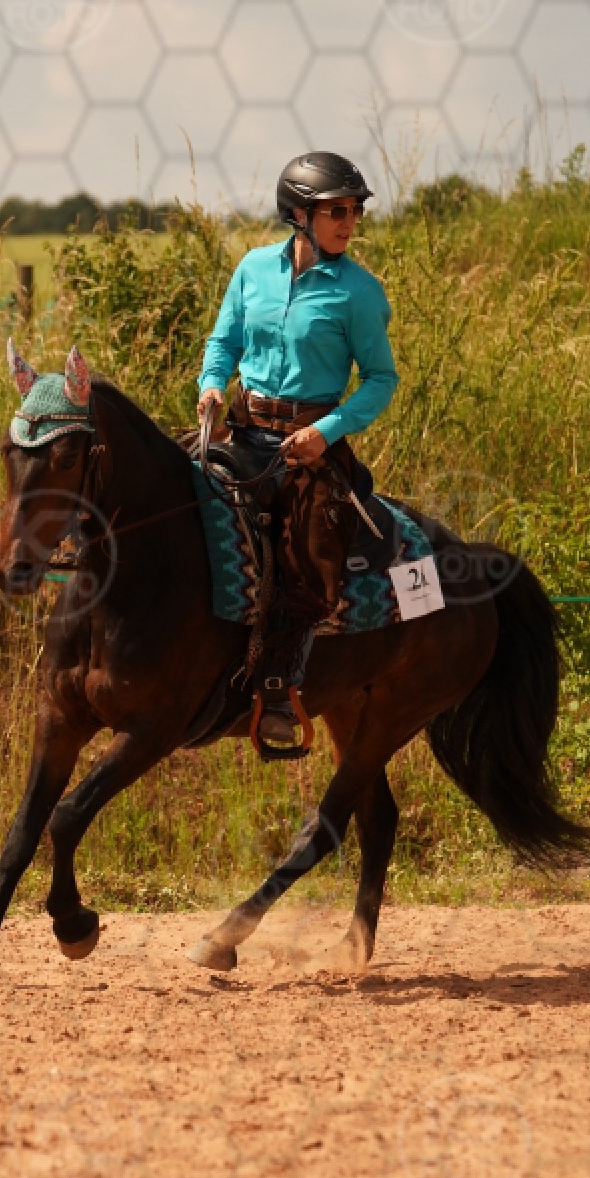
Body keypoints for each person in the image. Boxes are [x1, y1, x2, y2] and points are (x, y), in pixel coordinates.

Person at [196, 151, 399, 759]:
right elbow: (224, 341)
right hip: (241, 430)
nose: (349, 222)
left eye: (355, 211)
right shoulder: (253, 268)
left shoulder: (359, 292)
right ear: (299, 214)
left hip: (308, 447)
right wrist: (212, 384)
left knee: (307, 558)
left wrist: (328, 431)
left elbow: (381, 379)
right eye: (337, 211)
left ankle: (280, 692)